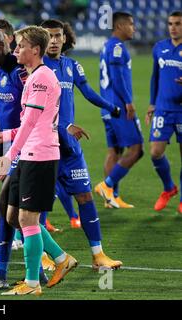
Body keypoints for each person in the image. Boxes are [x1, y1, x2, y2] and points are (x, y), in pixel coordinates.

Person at [0, 25, 78, 296]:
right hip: (29, 154)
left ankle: (32, 284)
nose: (15, 50)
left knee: (28, 220)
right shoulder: (33, 77)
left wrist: (8, 155)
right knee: (13, 216)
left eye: (20, 46)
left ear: (35, 50)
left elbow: (30, 123)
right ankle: (61, 258)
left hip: (39, 157)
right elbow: (26, 125)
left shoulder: (41, 79)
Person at [40, 19, 123, 270]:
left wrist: (111, 107)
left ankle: (98, 256)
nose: (54, 40)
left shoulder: (71, 66)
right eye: (49, 36)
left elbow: (88, 92)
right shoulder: (35, 68)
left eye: (58, 35)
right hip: (45, 145)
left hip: (70, 146)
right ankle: (43, 257)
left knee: (86, 197)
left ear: (65, 38)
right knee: (40, 203)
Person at [0, 26, 50, 291]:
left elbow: (33, 114)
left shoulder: (21, 72)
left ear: (0, 46)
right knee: (13, 212)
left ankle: (10, 271)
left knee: (11, 209)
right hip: (4, 144)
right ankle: (38, 269)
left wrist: (12, 149)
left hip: (23, 147)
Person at [96, 12, 144, 208]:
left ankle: (111, 198)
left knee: (114, 152)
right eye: (131, 24)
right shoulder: (117, 47)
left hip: (107, 107)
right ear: (120, 26)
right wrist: (128, 102)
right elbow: (117, 78)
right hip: (119, 107)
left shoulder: (107, 46)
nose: (133, 28)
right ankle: (107, 186)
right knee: (137, 149)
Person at [146, 11, 182, 213]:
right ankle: (169, 188)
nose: (173, 27)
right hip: (163, 109)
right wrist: (152, 103)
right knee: (155, 152)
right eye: (170, 23)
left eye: (177, 23)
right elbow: (154, 77)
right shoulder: (160, 47)